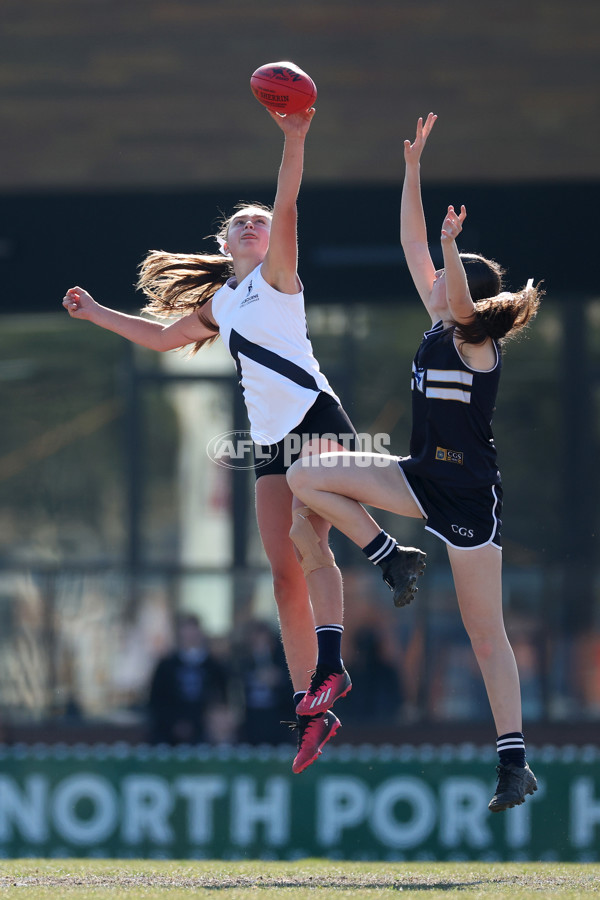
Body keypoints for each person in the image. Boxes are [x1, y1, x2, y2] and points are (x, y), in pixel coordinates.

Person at [62, 106, 425, 772]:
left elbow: (287, 201)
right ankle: (311, 709)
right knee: (286, 575)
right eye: (241, 222)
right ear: (225, 243)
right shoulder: (223, 303)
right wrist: (96, 314)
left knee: (315, 540)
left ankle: (381, 568)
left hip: (316, 418)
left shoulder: (277, 276)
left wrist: (295, 138)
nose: (254, 224)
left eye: (257, 221)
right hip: (268, 443)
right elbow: (161, 336)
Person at [287, 113, 542, 812]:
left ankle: (513, 762)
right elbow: (409, 241)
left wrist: (454, 249)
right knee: (307, 473)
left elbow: (459, 295)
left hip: (467, 497)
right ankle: (389, 557)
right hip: (419, 474)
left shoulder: (474, 344)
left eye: (444, 275)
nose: (430, 277)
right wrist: (412, 170)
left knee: (485, 633)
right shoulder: (437, 324)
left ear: (466, 295)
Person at [148, 613, 230, 744]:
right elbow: (156, 700)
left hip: (205, 735)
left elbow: (221, 700)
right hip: (169, 735)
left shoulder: (213, 666)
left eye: (193, 630)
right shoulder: (166, 666)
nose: (190, 635)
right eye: (186, 630)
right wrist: (174, 723)